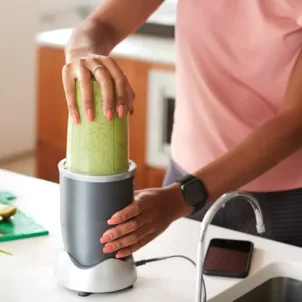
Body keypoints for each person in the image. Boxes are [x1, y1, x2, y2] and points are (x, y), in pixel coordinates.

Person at [62, 0, 302, 258]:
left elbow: (294, 122)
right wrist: (83, 54)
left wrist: (180, 198)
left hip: (281, 204)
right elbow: (103, 24)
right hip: (183, 180)